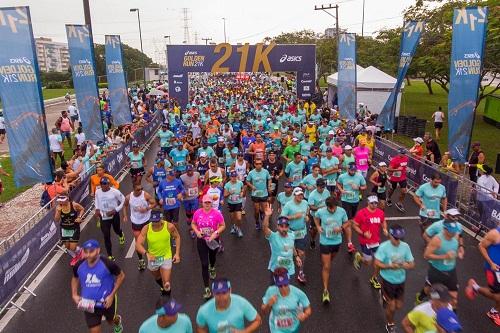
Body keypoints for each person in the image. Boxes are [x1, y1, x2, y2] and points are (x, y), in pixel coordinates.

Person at [71, 239, 125, 333]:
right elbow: (75, 278)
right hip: (89, 304)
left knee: (111, 321)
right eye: (85, 251)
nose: (88, 254)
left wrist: (111, 295)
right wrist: (74, 294)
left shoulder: (107, 263)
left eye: (91, 251)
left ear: (98, 250)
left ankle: (117, 321)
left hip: (106, 302)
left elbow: (121, 276)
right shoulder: (78, 266)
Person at [374, 224, 415, 333]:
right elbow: (377, 263)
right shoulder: (384, 247)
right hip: (388, 280)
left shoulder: (405, 246)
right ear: (390, 235)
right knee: (391, 307)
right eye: (396, 238)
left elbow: (412, 264)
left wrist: (405, 265)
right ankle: (390, 324)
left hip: (401, 280)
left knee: (399, 306)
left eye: (400, 238)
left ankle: (383, 296)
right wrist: (389, 266)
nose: (398, 241)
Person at [417, 220, 464, 310]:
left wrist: (460, 250)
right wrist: (444, 256)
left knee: (454, 299)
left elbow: (456, 246)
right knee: (431, 293)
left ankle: (451, 319)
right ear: (445, 230)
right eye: (452, 231)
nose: (454, 233)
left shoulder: (456, 235)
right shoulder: (437, 240)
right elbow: (426, 255)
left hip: (451, 271)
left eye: (455, 230)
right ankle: (421, 296)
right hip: (437, 271)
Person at [135, 210, 181, 296]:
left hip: (166, 256)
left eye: (157, 221)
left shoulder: (169, 226)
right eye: (153, 221)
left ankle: (167, 292)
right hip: (153, 258)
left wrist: (177, 253)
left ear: (161, 218)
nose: (155, 223)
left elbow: (177, 237)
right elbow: (138, 245)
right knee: (157, 277)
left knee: (166, 282)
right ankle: (162, 286)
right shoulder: (146, 228)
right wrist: (147, 254)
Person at [314, 196, 349, 304]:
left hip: (337, 241)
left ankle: (326, 264)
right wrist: (318, 226)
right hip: (325, 241)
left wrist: (341, 228)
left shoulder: (342, 211)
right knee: (327, 266)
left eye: (334, 208)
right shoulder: (321, 212)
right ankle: (325, 290)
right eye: (330, 209)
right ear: (327, 206)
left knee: (329, 261)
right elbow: (315, 217)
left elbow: (348, 223)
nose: (333, 210)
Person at [465, 223, 500, 326]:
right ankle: (475, 288)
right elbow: (481, 246)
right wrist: (491, 263)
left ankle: (496, 311)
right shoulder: (494, 234)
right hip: (493, 270)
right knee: (497, 295)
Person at [191, 195, 226, 299]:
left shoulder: (217, 213)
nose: (207, 204)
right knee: (204, 263)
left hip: (213, 240)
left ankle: (212, 267)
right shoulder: (197, 213)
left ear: (211, 203)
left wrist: (216, 233)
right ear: (202, 203)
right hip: (201, 240)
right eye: (205, 202)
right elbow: (193, 223)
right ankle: (206, 288)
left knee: (212, 258)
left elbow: (223, 225)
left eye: (209, 202)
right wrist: (197, 232)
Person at [196, 278, 261, 332]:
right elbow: (200, 328)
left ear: (230, 291)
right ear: (213, 293)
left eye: (224, 292)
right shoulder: (204, 310)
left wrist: (245, 332)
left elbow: (258, 320)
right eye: (217, 293)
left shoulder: (241, 303)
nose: (221, 297)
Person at [353, 195, 388, 289]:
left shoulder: (380, 212)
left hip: (376, 241)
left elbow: (383, 221)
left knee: (378, 261)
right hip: (365, 241)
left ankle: (374, 278)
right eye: (372, 203)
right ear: (367, 202)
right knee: (368, 262)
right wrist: (363, 233)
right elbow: (355, 225)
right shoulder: (361, 213)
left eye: (376, 203)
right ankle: (360, 258)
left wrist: (384, 229)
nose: (374, 205)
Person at [261, 268, 312, 333]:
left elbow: (308, 308)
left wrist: (305, 315)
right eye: (280, 285)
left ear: (288, 280)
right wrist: (268, 304)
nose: (283, 288)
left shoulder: (298, 293)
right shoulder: (271, 291)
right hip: (276, 329)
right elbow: (263, 311)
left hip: (293, 328)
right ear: (276, 283)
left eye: (285, 284)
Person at [262, 203, 300, 280]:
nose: (284, 229)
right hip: (276, 270)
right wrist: (267, 216)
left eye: (286, 226)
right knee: (275, 290)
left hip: (289, 270)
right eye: (281, 226)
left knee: (288, 290)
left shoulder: (292, 235)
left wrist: (296, 256)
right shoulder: (273, 236)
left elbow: (292, 246)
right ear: (277, 226)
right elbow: (265, 228)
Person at [122, 184, 156, 270]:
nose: (140, 191)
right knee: (138, 243)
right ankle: (141, 261)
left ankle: (153, 258)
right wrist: (125, 215)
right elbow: (125, 205)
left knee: (150, 239)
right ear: (133, 189)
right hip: (136, 221)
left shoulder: (145, 195)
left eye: (141, 189)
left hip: (146, 220)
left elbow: (153, 203)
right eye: (138, 189)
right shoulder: (128, 197)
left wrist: (147, 208)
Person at [337, 162, 366, 253]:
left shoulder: (359, 176)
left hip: (355, 201)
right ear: (347, 169)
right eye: (351, 170)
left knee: (351, 218)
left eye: (354, 170)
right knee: (349, 221)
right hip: (345, 200)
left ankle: (342, 225)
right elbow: (338, 183)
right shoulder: (342, 176)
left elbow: (365, 186)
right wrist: (341, 190)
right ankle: (349, 243)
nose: (352, 172)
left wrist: (359, 188)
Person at [281, 187, 309, 284]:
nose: (301, 196)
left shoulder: (305, 203)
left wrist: (307, 217)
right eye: (298, 195)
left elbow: (307, 212)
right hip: (290, 232)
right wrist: (293, 217)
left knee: (301, 253)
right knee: (288, 253)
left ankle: (300, 272)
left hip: (301, 232)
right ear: (294, 195)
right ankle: (284, 272)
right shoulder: (288, 205)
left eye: (301, 194)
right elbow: (282, 218)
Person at [94, 177, 125, 261]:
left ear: (109, 184)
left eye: (106, 184)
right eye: (103, 184)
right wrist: (97, 208)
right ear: (100, 185)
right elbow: (96, 200)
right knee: (106, 235)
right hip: (103, 215)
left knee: (116, 229)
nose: (105, 186)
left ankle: (121, 234)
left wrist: (116, 210)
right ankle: (110, 255)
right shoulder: (97, 191)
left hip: (114, 214)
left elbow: (123, 200)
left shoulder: (115, 192)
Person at [54, 194, 85, 264]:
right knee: (67, 247)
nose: (60, 202)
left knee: (72, 248)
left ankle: (77, 256)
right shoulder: (59, 207)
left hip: (74, 228)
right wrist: (58, 211)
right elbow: (56, 219)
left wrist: (79, 217)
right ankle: (77, 254)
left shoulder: (74, 205)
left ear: (67, 199)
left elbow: (82, 209)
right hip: (64, 229)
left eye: (62, 201)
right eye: (59, 201)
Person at [246, 158, 272, 230]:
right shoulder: (251, 173)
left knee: (264, 210)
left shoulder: (265, 172)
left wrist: (269, 185)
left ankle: (263, 219)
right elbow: (247, 181)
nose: (258, 165)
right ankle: (257, 222)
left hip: (264, 193)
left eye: (260, 164)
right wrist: (251, 186)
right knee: (256, 211)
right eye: (257, 164)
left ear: (262, 164)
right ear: (254, 165)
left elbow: (269, 179)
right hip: (255, 194)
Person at [180, 164, 201, 238]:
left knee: (194, 213)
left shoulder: (197, 174)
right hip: (186, 198)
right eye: (188, 171)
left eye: (191, 171)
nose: (190, 172)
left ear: (193, 170)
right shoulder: (182, 177)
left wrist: (199, 190)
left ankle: (192, 230)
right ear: (186, 171)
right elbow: (180, 187)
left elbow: (199, 182)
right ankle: (189, 218)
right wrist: (183, 192)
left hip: (195, 197)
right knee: (188, 213)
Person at [387, 148, 409, 212]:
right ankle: (388, 198)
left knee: (404, 191)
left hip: (402, 177)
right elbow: (389, 169)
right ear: (398, 153)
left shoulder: (406, 158)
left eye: (404, 153)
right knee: (392, 189)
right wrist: (397, 169)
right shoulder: (394, 160)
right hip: (394, 177)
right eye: (402, 153)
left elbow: (404, 166)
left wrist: (406, 169)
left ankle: (399, 203)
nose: (403, 155)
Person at [224, 170, 245, 238]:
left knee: (239, 218)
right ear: (230, 177)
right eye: (232, 176)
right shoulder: (227, 185)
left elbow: (243, 190)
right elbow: (224, 195)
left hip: (238, 202)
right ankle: (233, 226)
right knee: (232, 217)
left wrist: (242, 193)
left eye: (235, 176)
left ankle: (238, 229)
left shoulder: (240, 183)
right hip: (231, 203)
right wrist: (230, 192)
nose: (234, 178)